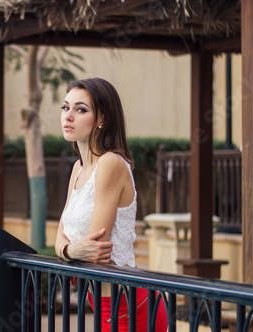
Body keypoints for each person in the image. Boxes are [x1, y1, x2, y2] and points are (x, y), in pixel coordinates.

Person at [54, 78, 167, 332]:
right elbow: (58, 239)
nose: (68, 116)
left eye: (81, 109)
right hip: (101, 299)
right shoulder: (77, 169)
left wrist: (67, 249)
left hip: (129, 305)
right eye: (65, 107)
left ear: (102, 119)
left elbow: (96, 249)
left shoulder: (110, 163)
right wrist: (70, 251)